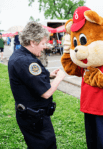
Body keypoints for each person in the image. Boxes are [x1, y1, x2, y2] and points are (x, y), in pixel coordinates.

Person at [8, 21, 65, 149]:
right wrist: (59, 78)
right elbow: (46, 92)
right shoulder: (27, 61)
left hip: (30, 116)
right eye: (43, 43)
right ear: (33, 42)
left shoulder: (20, 55)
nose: (45, 47)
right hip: (35, 118)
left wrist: (49, 75)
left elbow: (28, 78)